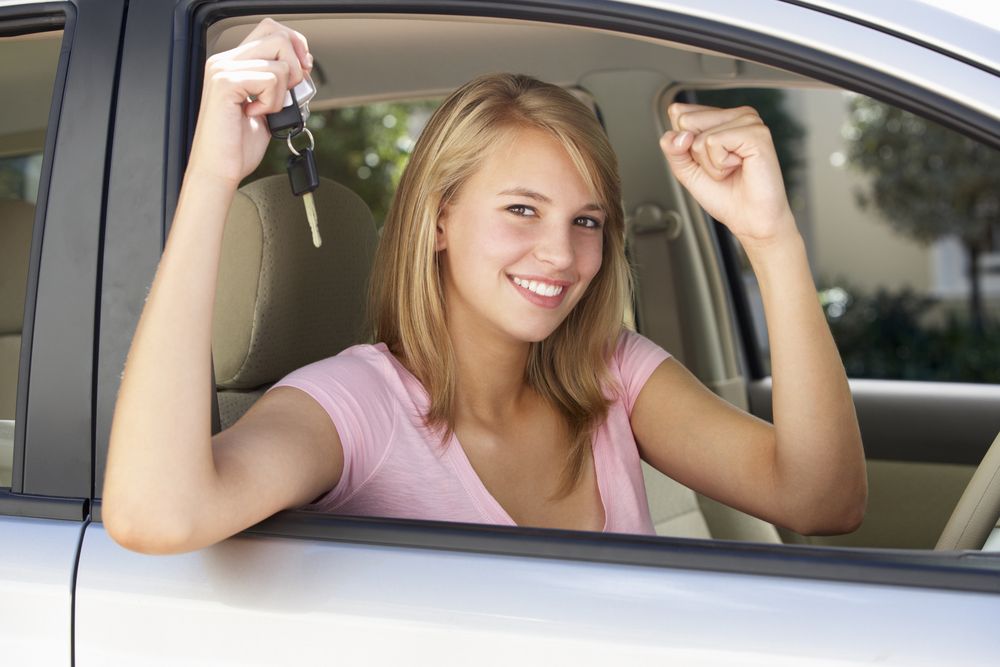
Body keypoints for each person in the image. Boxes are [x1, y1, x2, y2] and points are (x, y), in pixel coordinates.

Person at [103, 18, 866, 554]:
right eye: (521, 210)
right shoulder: (353, 406)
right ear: (440, 220)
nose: (560, 254)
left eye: (588, 221)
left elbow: (821, 499)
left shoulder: (611, 372)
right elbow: (154, 515)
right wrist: (212, 175)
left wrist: (771, 239)